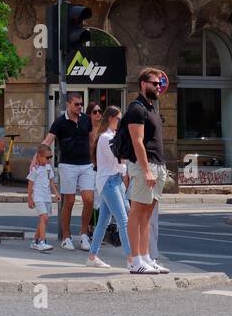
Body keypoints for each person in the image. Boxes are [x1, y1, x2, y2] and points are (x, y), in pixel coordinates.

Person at [122, 68, 170, 275]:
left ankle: (146, 257)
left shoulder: (151, 108)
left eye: (159, 84)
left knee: (147, 215)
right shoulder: (136, 108)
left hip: (157, 165)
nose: (158, 87)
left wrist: (160, 169)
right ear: (143, 84)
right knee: (137, 211)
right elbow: (137, 141)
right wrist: (146, 170)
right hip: (145, 166)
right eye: (154, 83)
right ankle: (135, 260)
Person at [41, 92, 95, 250]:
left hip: (86, 164)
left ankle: (84, 234)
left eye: (81, 104)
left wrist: (97, 158)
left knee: (89, 199)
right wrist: (37, 158)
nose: (79, 107)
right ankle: (66, 236)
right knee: (69, 201)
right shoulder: (59, 122)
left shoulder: (85, 119)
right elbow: (48, 140)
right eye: (76, 104)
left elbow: (92, 139)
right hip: (68, 165)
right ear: (68, 105)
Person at [86, 106, 134, 269]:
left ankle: (92, 256)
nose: (120, 122)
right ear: (111, 118)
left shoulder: (111, 136)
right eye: (118, 119)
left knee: (103, 222)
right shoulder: (106, 138)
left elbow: (120, 160)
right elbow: (119, 160)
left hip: (113, 180)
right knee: (123, 220)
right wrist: (124, 167)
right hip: (109, 181)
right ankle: (131, 259)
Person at [27, 144, 59, 251]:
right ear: (39, 157)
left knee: (44, 220)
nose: (49, 159)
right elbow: (30, 185)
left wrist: (56, 193)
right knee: (44, 217)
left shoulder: (49, 168)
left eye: (50, 157)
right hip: (38, 197)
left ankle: (34, 241)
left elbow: (51, 182)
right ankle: (42, 241)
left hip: (47, 197)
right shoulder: (35, 169)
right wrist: (30, 198)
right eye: (47, 157)